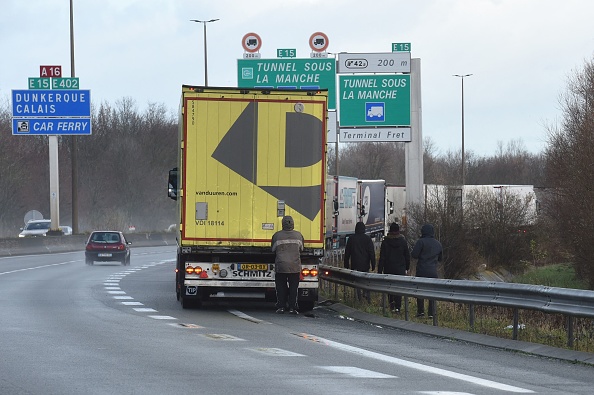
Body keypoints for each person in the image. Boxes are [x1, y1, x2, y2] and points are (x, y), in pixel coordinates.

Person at [271, 215, 303, 315]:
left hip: (281, 266)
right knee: (293, 287)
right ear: (292, 224)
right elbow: (301, 248)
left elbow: (273, 249)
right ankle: (292, 307)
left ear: (282, 224)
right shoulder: (298, 235)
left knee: (281, 287)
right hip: (294, 266)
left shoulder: (277, 236)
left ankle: (281, 306)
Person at [411, 223, 443, 318]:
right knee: (432, 293)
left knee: (420, 291)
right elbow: (440, 259)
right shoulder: (438, 243)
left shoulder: (421, 242)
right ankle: (431, 313)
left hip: (422, 270)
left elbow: (414, 255)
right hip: (433, 271)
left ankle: (421, 312)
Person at [378, 223, 410, 313]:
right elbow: (407, 256)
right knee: (398, 288)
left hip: (388, 268)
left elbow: (382, 257)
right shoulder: (403, 242)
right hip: (400, 269)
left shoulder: (385, 242)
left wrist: (380, 270)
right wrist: (407, 267)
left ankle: (391, 305)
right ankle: (398, 307)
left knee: (390, 287)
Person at [344, 221, 376, 301]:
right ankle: (367, 296)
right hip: (365, 265)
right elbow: (371, 253)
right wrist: (373, 264)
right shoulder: (368, 239)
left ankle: (359, 299)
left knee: (357, 282)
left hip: (355, 264)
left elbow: (347, 253)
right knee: (366, 281)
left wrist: (346, 265)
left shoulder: (351, 239)